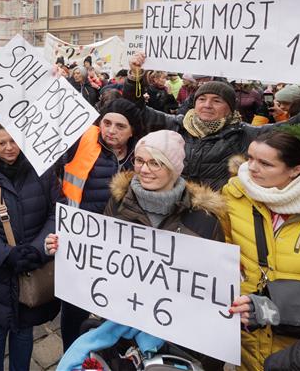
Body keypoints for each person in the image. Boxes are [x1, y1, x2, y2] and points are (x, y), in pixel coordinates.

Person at [48, 129, 227, 371]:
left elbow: (210, 288)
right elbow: (101, 254)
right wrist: (66, 246)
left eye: (156, 163)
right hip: (120, 331)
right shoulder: (119, 202)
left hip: (174, 340)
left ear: (174, 167)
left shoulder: (204, 219)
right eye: (140, 160)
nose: (144, 169)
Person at [124, 52, 300, 189]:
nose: (207, 105)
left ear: (229, 108)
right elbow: (136, 110)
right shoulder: (176, 125)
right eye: (202, 99)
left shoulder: (246, 134)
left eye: (216, 100)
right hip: (175, 213)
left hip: (221, 218)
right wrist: (135, 76)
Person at [223, 131, 300, 371]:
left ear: (295, 170)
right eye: (250, 157)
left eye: (265, 163)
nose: (251, 168)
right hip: (247, 334)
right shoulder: (234, 194)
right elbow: (222, 250)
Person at [0, 120, 61, 371]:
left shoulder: (44, 171)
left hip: (32, 264)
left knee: (23, 331)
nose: (9, 148)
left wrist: (37, 249)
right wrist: (5, 254)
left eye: (13, 141)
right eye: (2, 143)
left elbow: (56, 212)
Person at [57, 99, 142, 349]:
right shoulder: (82, 140)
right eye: (106, 122)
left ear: (132, 130)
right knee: (74, 310)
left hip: (121, 250)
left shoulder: (142, 155)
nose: (111, 130)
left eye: (120, 126)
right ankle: (71, 355)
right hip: (81, 244)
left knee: (115, 313)